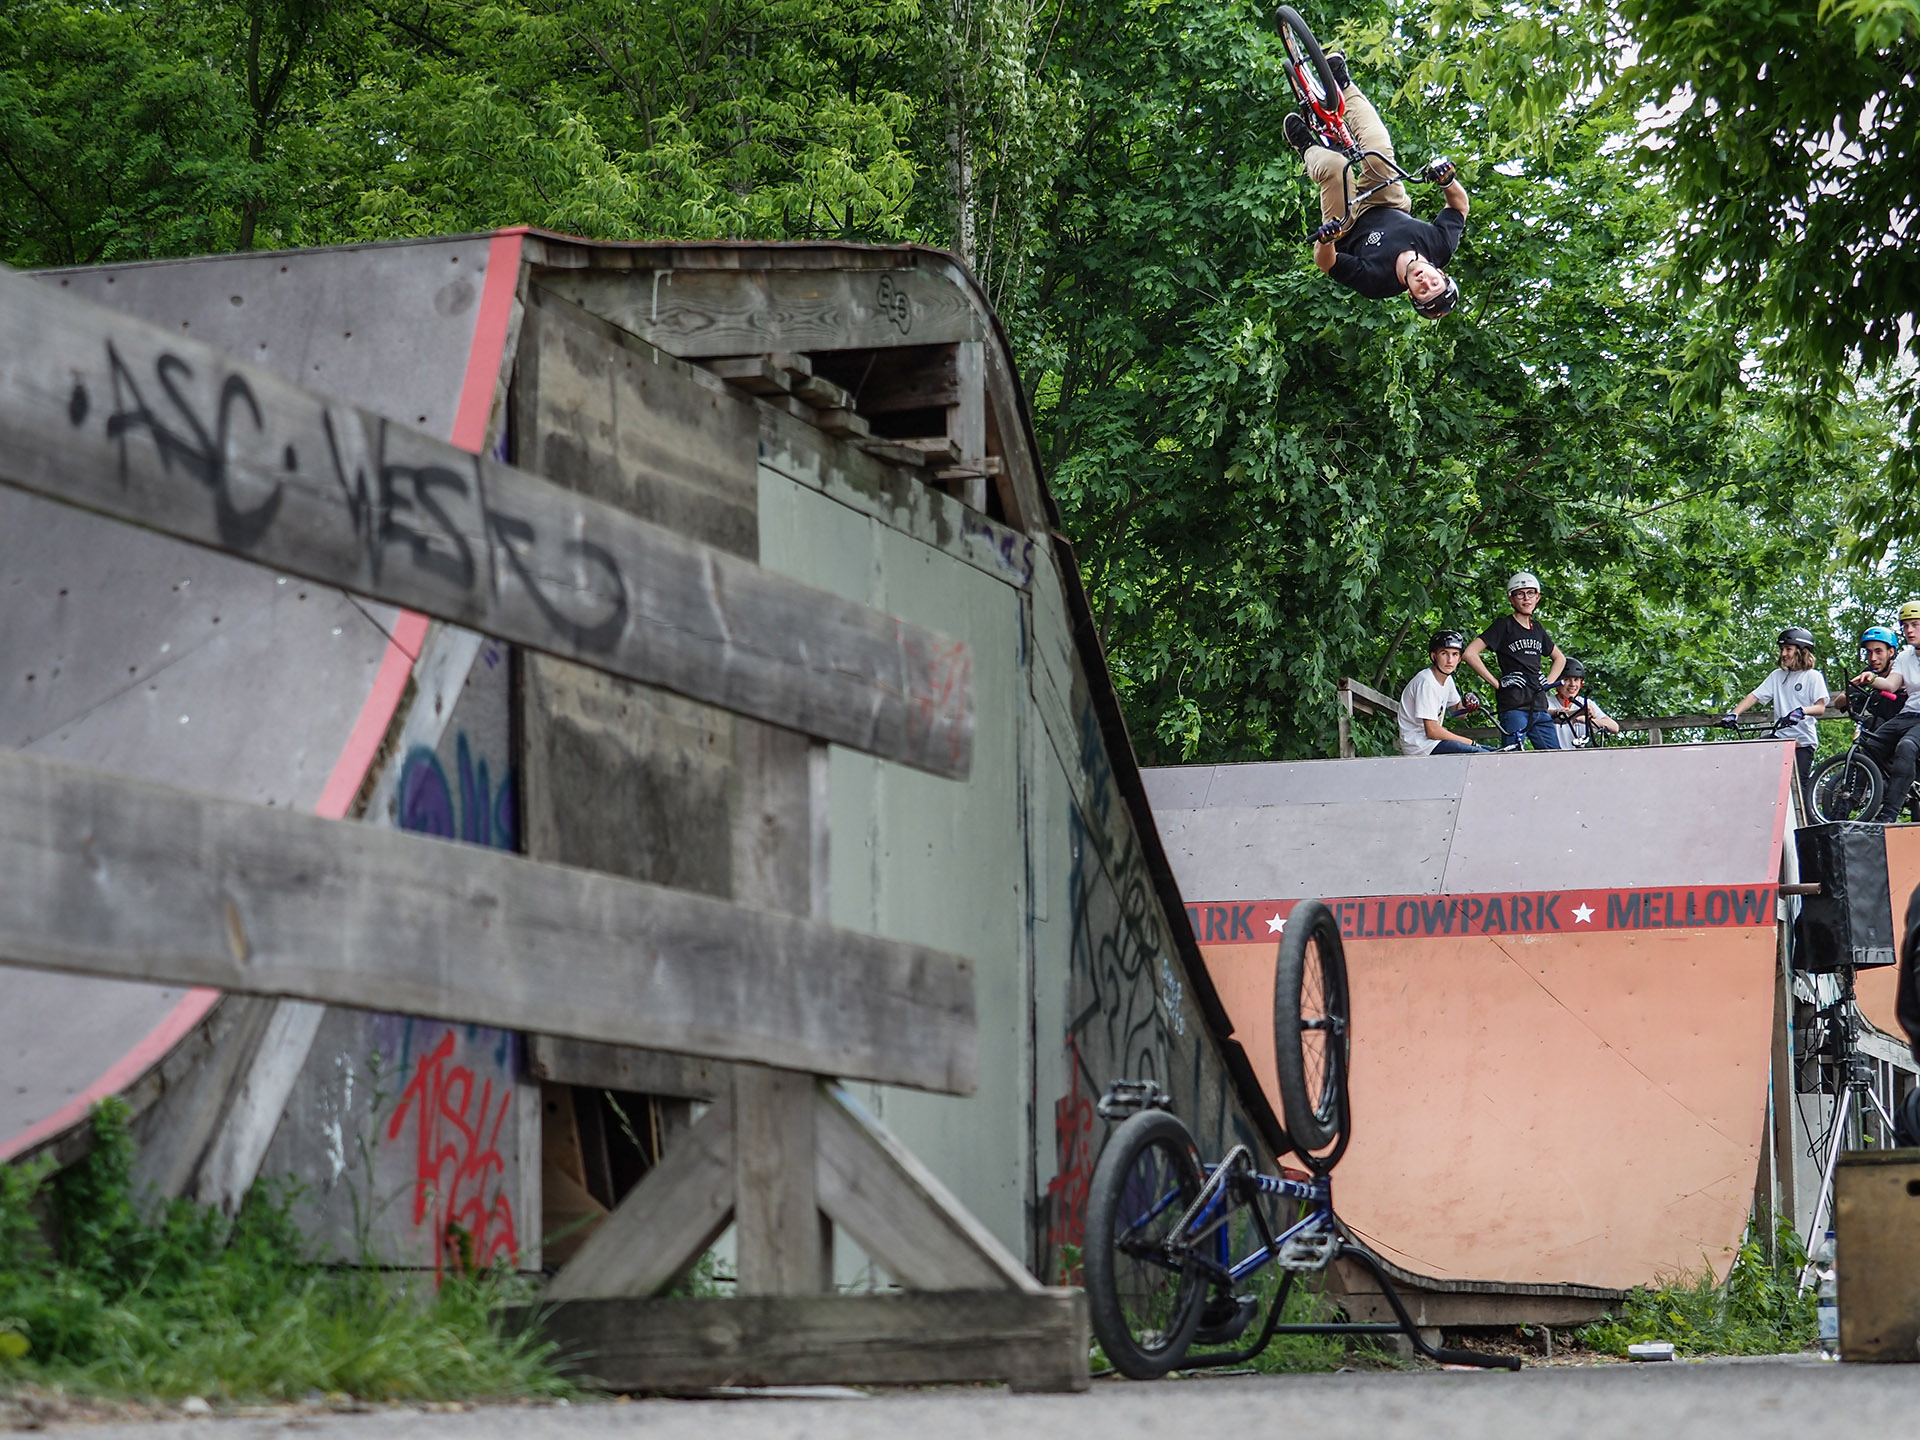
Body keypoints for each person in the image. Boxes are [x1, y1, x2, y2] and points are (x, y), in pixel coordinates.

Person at [1281, 51, 1468, 318]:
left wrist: (1326, 240)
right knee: (1379, 152)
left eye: (1424, 291)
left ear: (1412, 294)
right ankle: (1343, 83)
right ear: (1440, 273)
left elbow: (1327, 263)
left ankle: (1306, 147)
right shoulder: (1440, 247)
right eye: (1434, 283)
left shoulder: (1378, 282)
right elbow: (1459, 207)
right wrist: (1447, 181)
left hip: (1345, 224)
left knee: (1335, 169)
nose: (1425, 282)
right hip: (1387, 201)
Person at [1721, 627, 1830, 798]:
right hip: (1780, 737)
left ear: (1801, 651)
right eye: (1782, 650)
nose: (1783, 654)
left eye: (1788, 649)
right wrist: (1733, 714)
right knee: (1750, 755)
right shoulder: (1777, 676)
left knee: (1798, 793)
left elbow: (1820, 707)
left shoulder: (1812, 676)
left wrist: (1802, 711)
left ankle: (1806, 822)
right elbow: (1754, 696)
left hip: (1802, 743)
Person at [1463, 573, 1565, 750]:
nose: (1526, 598)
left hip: (1540, 706)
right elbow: (1470, 653)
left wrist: (1548, 683)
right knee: (1513, 758)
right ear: (1511, 598)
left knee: (1554, 758)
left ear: (1538, 597)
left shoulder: (1538, 628)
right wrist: (1497, 683)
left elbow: (1560, 658)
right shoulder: (1504, 625)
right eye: (1520, 593)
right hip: (1514, 704)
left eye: (1531, 593)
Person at [1849, 607, 1920, 822]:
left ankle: (1889, 813)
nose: (1908, 630)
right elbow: (1890, 684)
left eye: (1915, 625)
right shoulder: (1905, 657)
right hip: (1908, 715)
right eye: (1905, 626)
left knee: (1906, 746)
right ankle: (1847, 805)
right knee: (1871, 744)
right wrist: (1869, 678)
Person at [1397, 629, 1491, 756]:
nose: (1450, 660)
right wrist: (1469, 742)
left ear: (1459, 659)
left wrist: (1467, 704)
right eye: (1444, 653)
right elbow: (1432, 731)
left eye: (1455, 654)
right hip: (1420, 746)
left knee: (1495, 752)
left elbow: (1458, 713)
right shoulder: (1426, 682)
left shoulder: (1447, 679)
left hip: (1433, 743)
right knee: (1482, 755)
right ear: (1433, 656)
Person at [1547, 659, 1620, 748]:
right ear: (1557, 682)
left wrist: (1587, 720)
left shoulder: (1585, 702)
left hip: (1581, 756)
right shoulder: (1548, 703)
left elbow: (1614, 727)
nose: (1572, 684)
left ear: (1581, 683)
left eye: (1576, 679)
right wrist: (1576, 713)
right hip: (1553, 755)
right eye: (1567, 679)